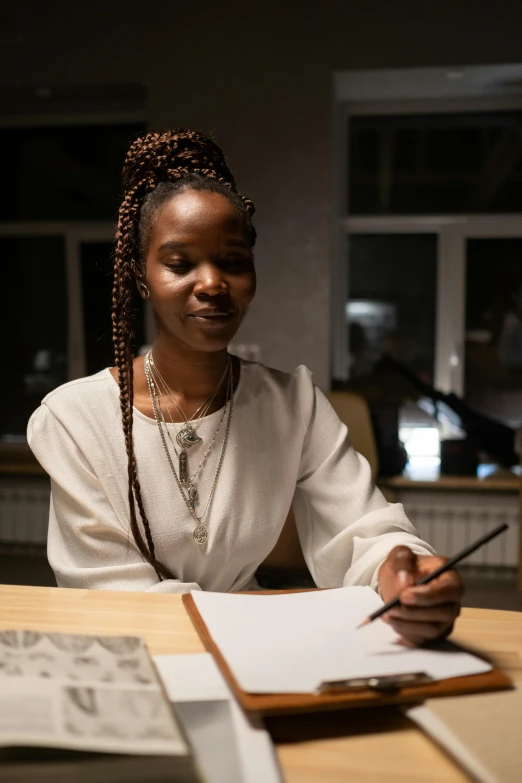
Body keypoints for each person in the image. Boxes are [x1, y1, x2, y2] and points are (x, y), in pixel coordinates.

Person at [28, 129, 462, 645]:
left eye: (232, 260)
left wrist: (399, 568)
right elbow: (112, 593)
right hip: (133, 652)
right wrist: (257, 622)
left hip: (252, 649)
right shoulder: (75, 419)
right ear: (141, 279)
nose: (212, 283)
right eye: (180, 263)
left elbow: (364, 531)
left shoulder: (292, 405)